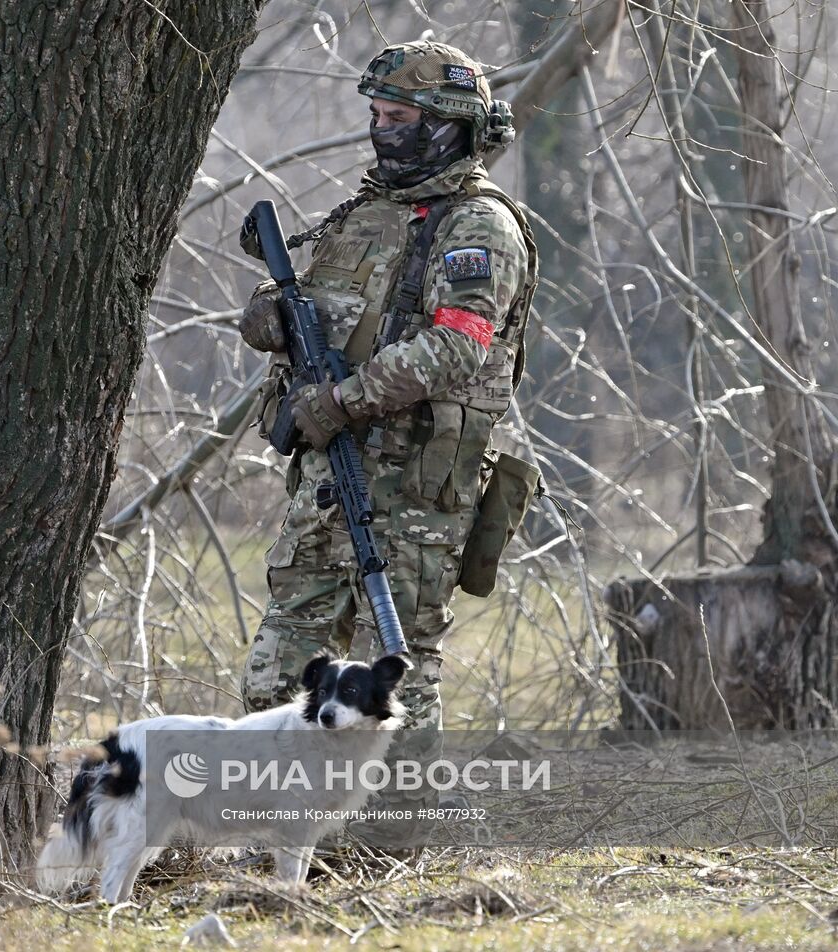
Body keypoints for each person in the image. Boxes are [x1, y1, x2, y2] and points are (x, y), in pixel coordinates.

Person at [236, 41, 540, 843]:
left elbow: (458, 345)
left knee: (395, 671)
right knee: (280, 666)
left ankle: (392, 846)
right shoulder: (368, 213)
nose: (382, 131)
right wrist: (270, 315)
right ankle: (281, 842)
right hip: (327, 486)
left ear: (446, 128)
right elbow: (324, 311)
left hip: (414, 496)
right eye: (376, 116)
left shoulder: (479, 225)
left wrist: (341, 400)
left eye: (399, 118)